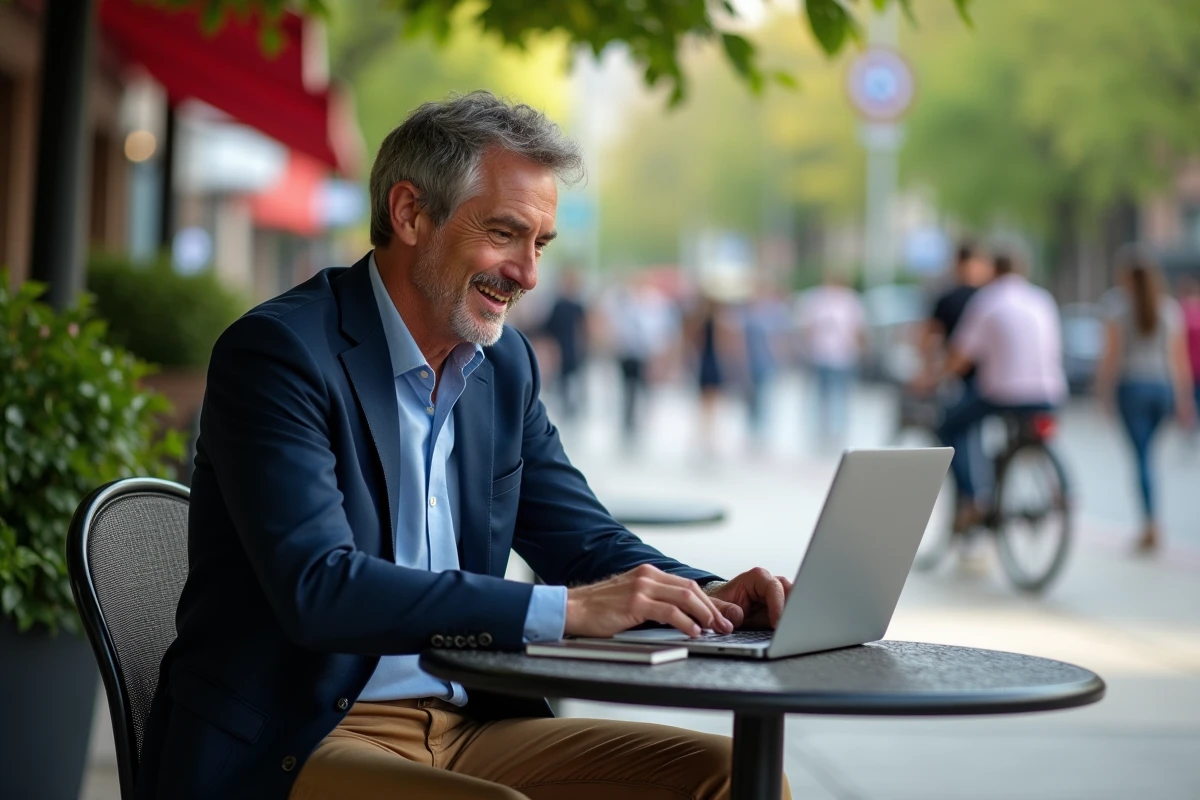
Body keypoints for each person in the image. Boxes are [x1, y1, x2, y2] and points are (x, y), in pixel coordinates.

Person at [135, 93, 793, 800]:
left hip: (468, 724)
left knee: (732, 778)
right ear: (410, 213)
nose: (528, 273)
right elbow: (319, 587)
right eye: (506, 234)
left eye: (539, 245)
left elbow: (584, 541)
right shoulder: (279, 355)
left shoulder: (502, 368)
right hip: (298, 741)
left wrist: (707, 597)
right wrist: (565, 612)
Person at [926, 251, 1068, 530]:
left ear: (992, 271)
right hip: (1049, 391)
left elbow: (962, 354)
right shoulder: (1042, 299)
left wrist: (935, 378)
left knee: (949, 425)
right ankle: (1054, 489)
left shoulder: (987, 300)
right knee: (1029, 434)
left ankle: (973, 499)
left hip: (1004, 392)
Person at [1095, 258, 1195, 552]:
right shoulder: (1169, 309)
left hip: (1133, 387)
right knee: (1148, 456)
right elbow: (1179, 360)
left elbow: (1110, 357)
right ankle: (1152, 521)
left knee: (1141, 459)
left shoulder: (1117, 307)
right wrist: (1184, 398)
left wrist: (1103, 393)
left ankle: (1150, 523)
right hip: (1163, 388)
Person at [794, 272, 866, 450]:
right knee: (821, 395)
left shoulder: (850, 301)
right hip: (820, 355)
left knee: (841, 395)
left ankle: (838, 431)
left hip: (844, 356)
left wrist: (860, 350)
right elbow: (807, 327)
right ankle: (822, 431)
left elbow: (858, 328)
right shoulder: (816, 300)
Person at [538, 268, 589, 420]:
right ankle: (567, 408)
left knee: (571, 380)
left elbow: (583, 327)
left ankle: (570, 408)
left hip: (572, 348)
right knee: (564, 380)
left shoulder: (576, 305)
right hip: (562, 348)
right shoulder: (560, 305)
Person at [1180, 276, 1200, 445]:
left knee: (1189, 399)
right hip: (1195, 367)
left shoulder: (1181, 313)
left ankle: (1190, 430)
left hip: (1188, 367)